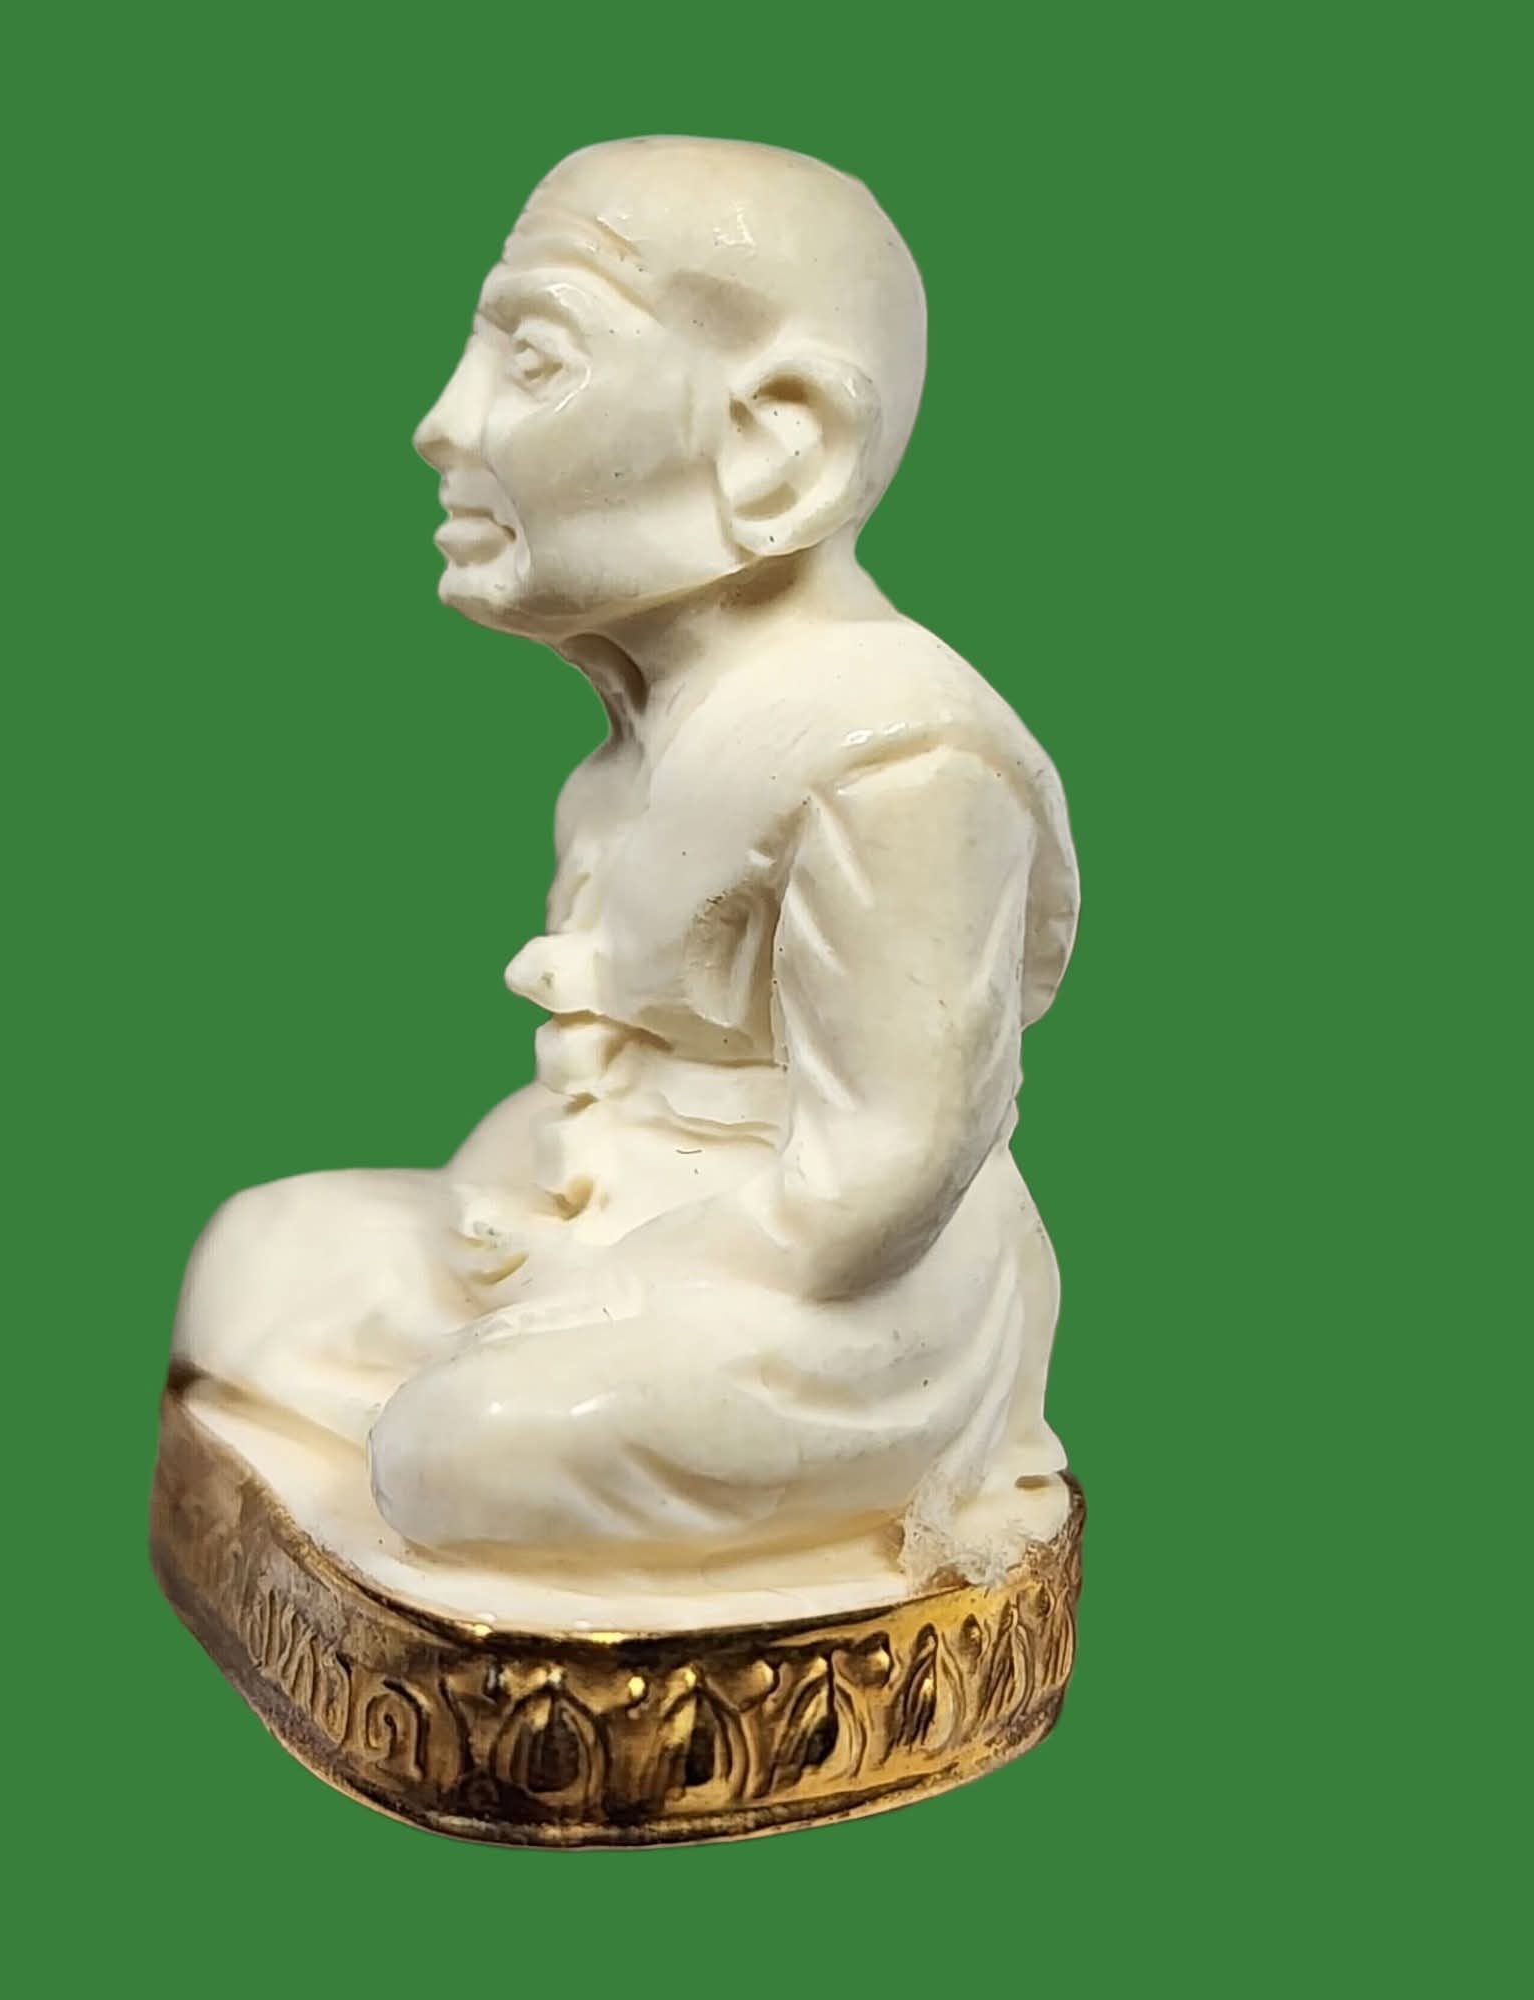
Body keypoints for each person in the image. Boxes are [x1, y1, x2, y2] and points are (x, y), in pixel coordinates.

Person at [172, 137, 1079, 1584]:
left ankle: (522, 1450)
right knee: (254, 1265)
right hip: (607, 1222)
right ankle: (479, 1415)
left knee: (457, 1450)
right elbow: (603, 1081)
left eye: (532, 361)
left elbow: (888, 1171)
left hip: (829, 1296)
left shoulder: (899, 758)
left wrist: (615, 1286)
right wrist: (533, 1220)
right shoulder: (639, 738)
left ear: (778, 445)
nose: (441, 424)